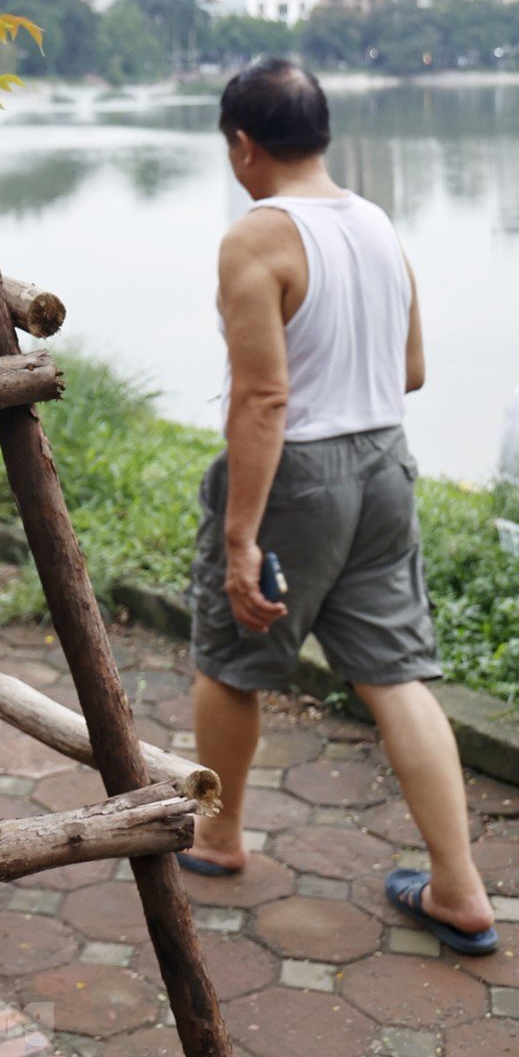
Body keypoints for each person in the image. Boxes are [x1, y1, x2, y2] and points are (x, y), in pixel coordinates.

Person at [186, 56, 497, 956]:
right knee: (395, 673)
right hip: (386, 465)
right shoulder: (374, 222)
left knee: (234, 654)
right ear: (319, 134)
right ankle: (459, 888)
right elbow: (412, 370)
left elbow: (263, 400)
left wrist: (242, 538)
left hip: (302, 475)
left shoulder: (257, 236)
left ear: (243, 146)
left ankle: (218, 836)